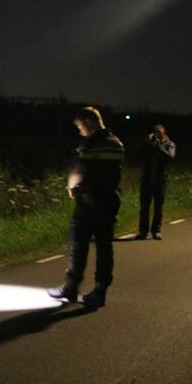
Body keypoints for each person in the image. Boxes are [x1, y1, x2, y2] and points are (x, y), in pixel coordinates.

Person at [48, 107, 125, 309]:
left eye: (81, 126)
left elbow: (80, 168)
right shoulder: (116, 143)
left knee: (78, 244)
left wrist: (71, 186)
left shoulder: (91, 144)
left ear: (89, 123)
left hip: (89, 202)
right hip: (109, 202)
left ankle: (71, 287)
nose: (80, 131)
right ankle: (100, 291)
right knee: (104, 247)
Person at [136, 124, 176, 240]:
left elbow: (170, 157)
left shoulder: (169, 144)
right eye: (155, 132)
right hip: (147, 180)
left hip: (160, 180)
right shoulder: (148, 145)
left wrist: (158, 147)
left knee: (158, 207)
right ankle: (143, 231)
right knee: (144, 207)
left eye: (159, 132)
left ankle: (156, 231)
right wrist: (146, 143)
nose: (157, 135)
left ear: (164, 133)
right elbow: (137, 154)